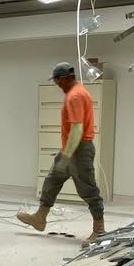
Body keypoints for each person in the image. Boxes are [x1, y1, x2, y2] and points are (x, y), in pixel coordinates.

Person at [17, 61, 105, 242]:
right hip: (70, 149)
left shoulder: (75, 96)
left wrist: (66, 156)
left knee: (88, 189)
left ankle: (99, 230)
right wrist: (64, 154)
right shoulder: (77, 91)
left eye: (57, 80)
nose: (56, 84)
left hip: (78, 150)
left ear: (64, 78)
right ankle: (40, 217)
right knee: (52, 180)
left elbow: (77, 129)